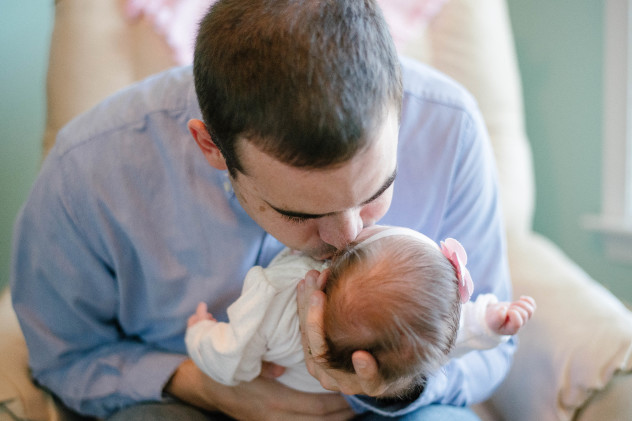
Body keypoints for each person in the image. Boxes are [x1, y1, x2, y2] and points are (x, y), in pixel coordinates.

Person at [11, 0, 515, 419]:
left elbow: (495, 345)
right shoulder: (88, 170)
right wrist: (203, 385)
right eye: (298, 213)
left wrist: (391, 387)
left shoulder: (451, 128)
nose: (347, 236)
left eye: (376, 191)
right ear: (210, 147)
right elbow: (64, 354)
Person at [186, 226, 536, 398]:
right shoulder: (402, 347)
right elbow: (450, 333)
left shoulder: (275, 296)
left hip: (278, 393)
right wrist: (490, 322)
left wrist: (200, 332)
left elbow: (228, 353)